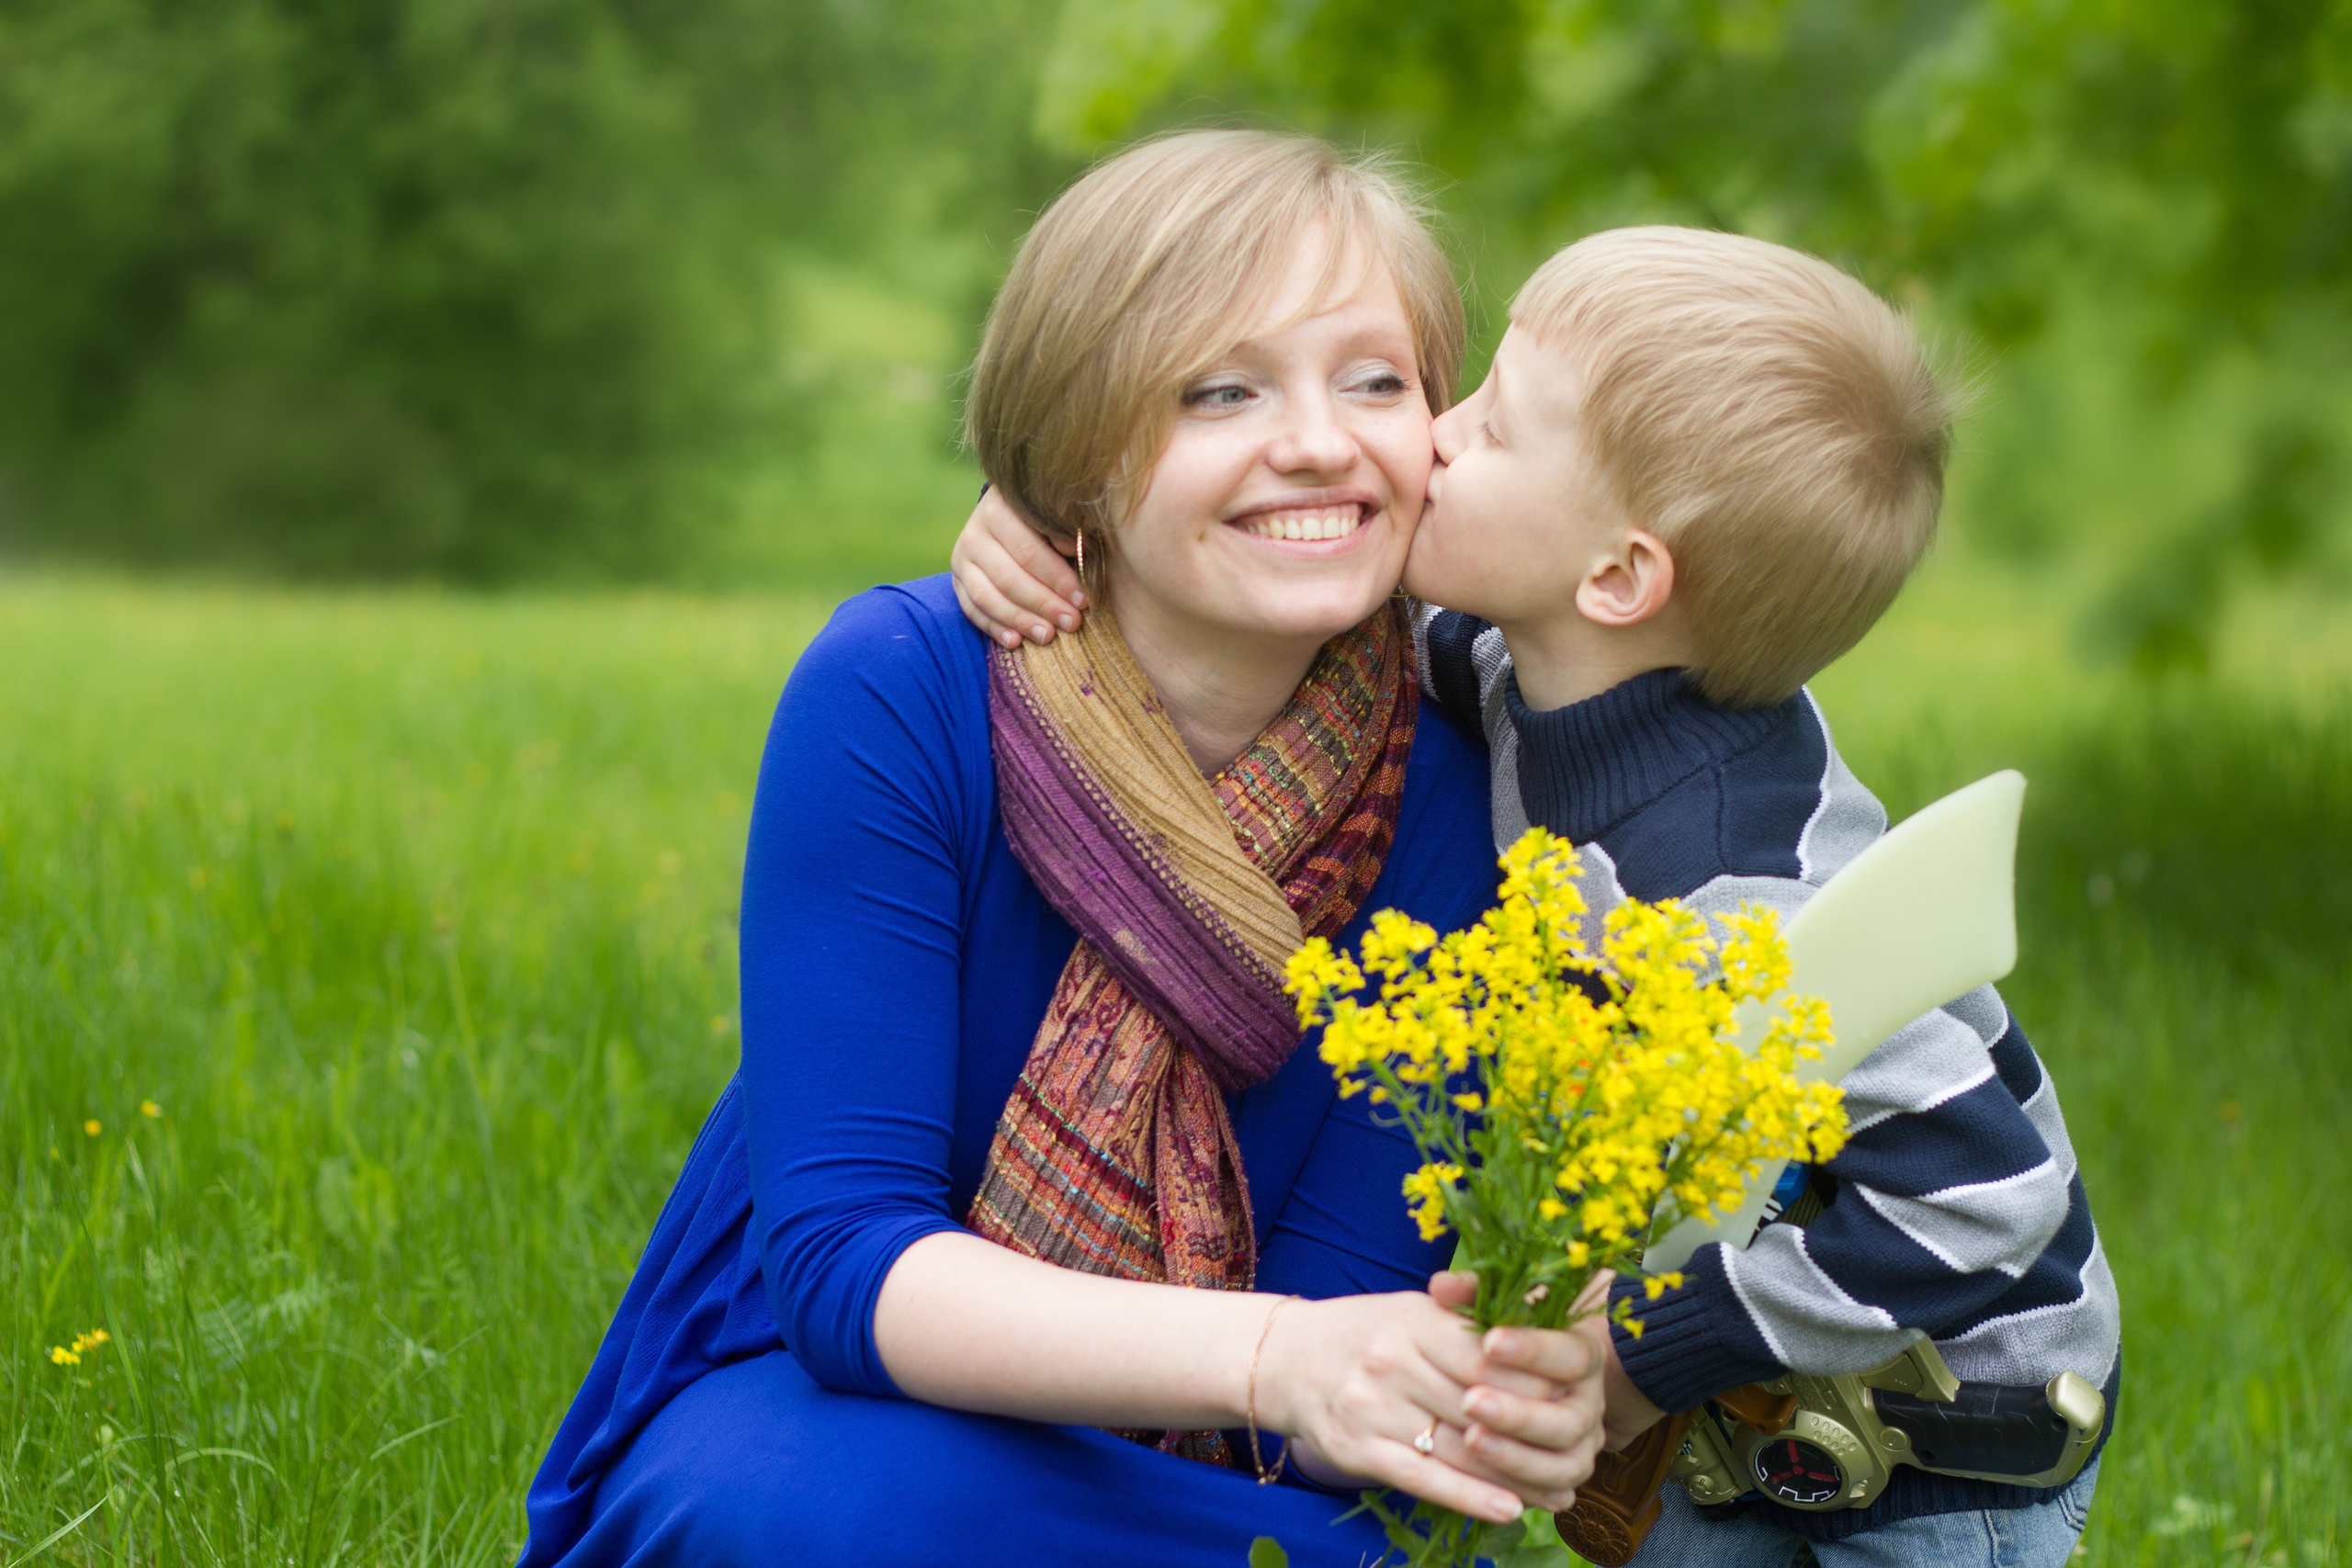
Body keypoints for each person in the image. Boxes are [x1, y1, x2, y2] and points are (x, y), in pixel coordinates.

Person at [518, 130, 1615, 1568]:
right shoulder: (904, 692)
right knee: (802, 1516)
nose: (1320, 441)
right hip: (830, 1406)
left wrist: (1499, 1375)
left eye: (1377, 382)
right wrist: (1281, 1354)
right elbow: (848, 1269)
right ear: (1080, 447)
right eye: (1219, 390)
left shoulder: (1467, 790)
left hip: (1226, 1490)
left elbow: (1324, 1404)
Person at [953, 226, 2121, 1566]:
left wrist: (1641, 1350)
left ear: (1618, 578)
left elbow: (1985, 1203)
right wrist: (1058, 527)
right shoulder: (1529, 672)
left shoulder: (1737, 894)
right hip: (1739, 1403)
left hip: (1937, 1440)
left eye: (1492, 428)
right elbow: (1292, 578)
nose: (1431, 439)